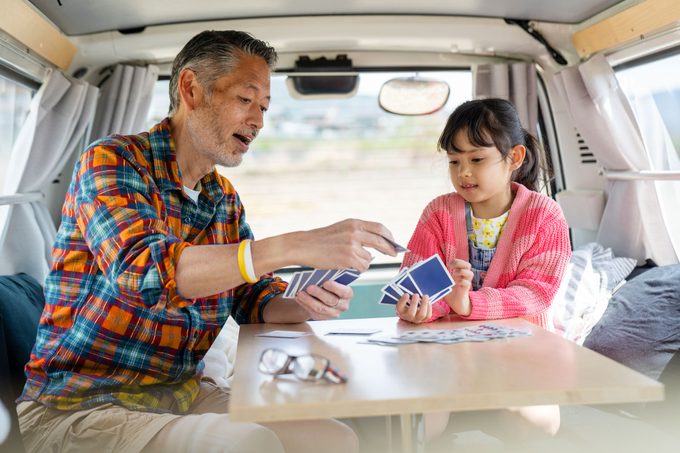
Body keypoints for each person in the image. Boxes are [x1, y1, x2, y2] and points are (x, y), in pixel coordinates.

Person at [16, 30, 398, 453]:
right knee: (248, 442)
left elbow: (252, 298)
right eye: (245, 100)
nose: (258, 121)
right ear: (191, 89)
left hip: (180, 393)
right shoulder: (111, 161)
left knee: (335, 439)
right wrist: (294, 245)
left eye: (265, 107)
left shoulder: (223, 199)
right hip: (80, 405)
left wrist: (302, 302)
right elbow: (145, 272)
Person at [396, 98, 571, 445]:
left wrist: (469, 304)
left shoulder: (545, 216)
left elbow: (537, 292)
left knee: (538, 425)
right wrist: (421, 307)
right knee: (415, 426)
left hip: (523, 360)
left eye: (476, 159)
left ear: (514, 158)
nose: (463, 172)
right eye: (454, 161)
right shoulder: (438, 213)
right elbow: (416, 278)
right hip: (445, 362)